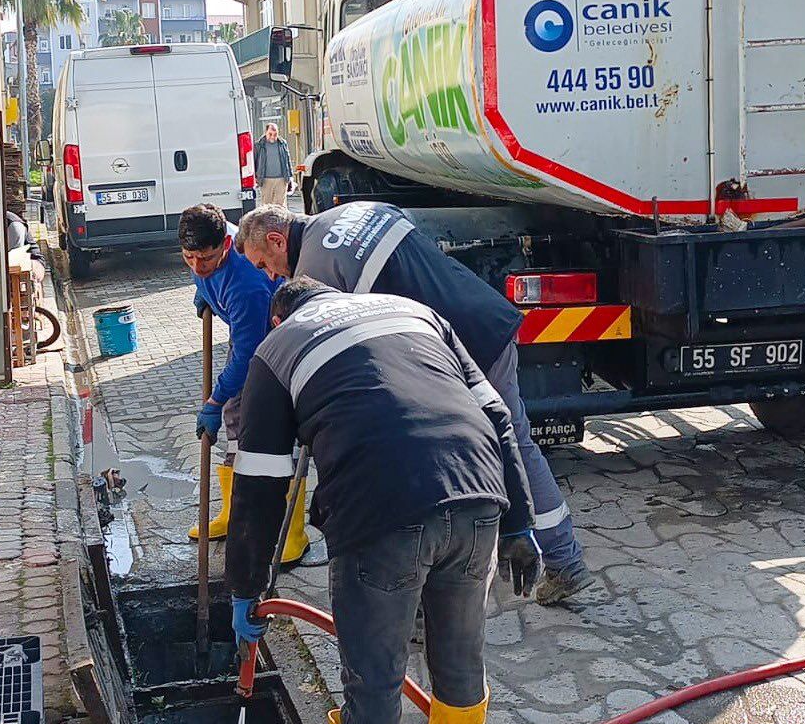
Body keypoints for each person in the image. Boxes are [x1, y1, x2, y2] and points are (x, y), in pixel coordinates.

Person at [227, 278, 542, 724]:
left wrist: (246, 586)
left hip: (379, 515)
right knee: (461, 663)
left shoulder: (277, 346)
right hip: (478, 496)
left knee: (373, 684)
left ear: (278, 318)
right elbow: (496, 414)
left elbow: (260, 481)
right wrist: (519, 523)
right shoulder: (414, 311)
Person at [234, 202, 593, 604]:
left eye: (265, 264)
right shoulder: (355, 211)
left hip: (460, 349)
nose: (271, 276)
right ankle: (497, 559)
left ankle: (563, 561)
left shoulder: (316, 272)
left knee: (513, 447)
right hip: (483, 317)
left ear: (277, 240)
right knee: (503, 443)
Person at [178, 204, 307, 562]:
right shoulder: (206, 249)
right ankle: (233, 514)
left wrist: (214, 401)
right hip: (248, 341)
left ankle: (293, 532)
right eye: (189, 258)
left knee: (274, 437)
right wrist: (205, 288)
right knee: (236, 423)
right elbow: (201, 268)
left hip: (276, 348)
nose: (197, 267)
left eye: (206, 259)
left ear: (226, 244)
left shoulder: (246, 283)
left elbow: (248, 355)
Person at [255, 123, 294, 209]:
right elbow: (255, 161)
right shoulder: (259, 145)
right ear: (266, 132)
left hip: (281, 179)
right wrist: (255, 177)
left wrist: (290, 176)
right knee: (266, 207)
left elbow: (287, 159)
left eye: (275, 134)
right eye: (270, 134)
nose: (273, 137)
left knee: (280, 207)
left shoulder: (282, 143)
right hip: (265, 180)